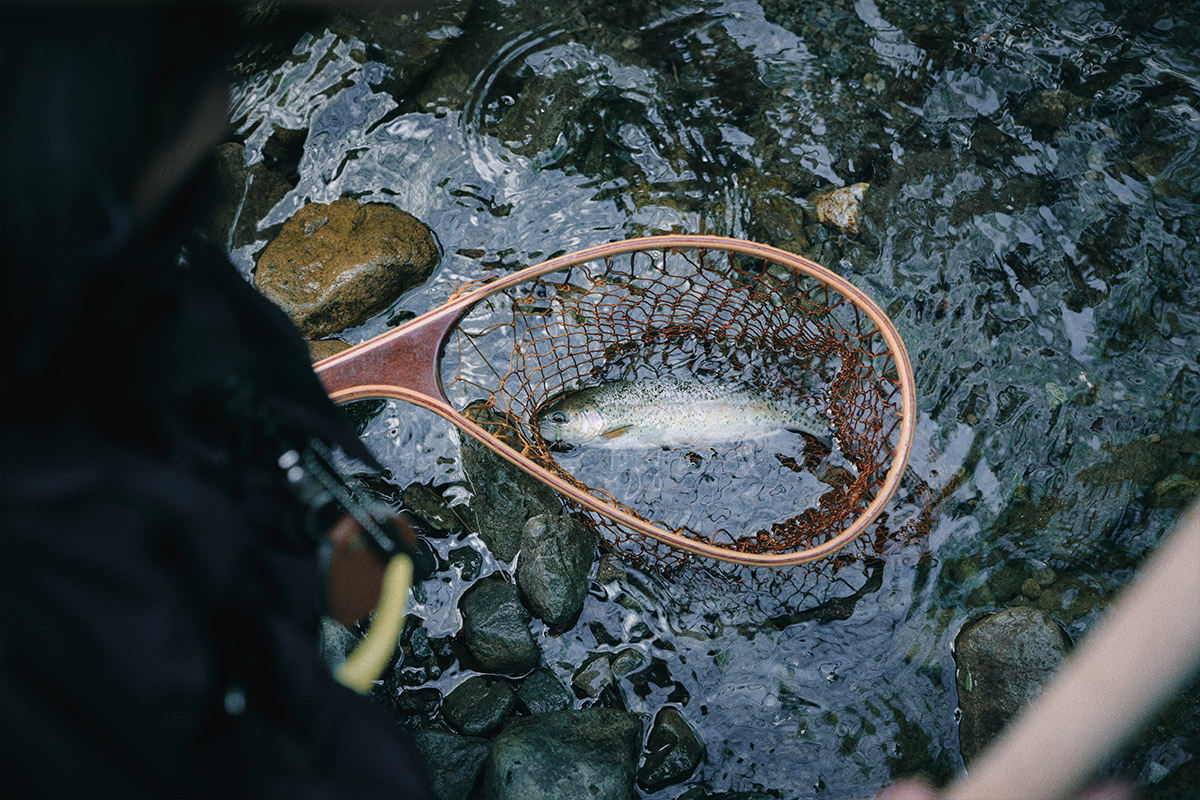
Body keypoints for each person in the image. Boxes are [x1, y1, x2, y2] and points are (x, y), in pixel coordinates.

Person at [0, 2, 434, 796]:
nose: (224, 101)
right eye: (204, 60)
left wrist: (314, 522)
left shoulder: (119, 270)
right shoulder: (65, 605)